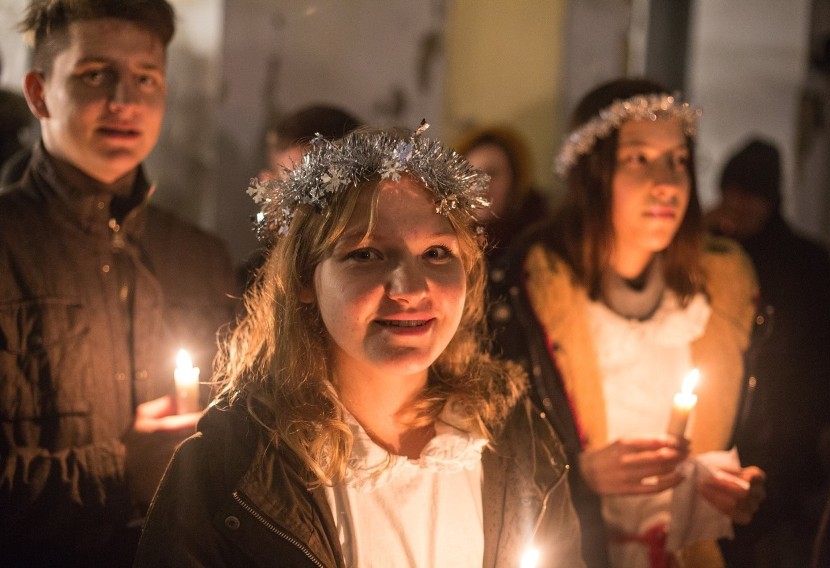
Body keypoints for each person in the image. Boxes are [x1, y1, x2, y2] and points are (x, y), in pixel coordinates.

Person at [134, 126, 586, 567]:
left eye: (436, 253)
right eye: (366, 254)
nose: (410, 288)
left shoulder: (519, 443)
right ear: (304, 279)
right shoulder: (228, 469)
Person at [488, 78, 767, 568]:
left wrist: (735, 491)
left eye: (678, 161)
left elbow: (764, 431)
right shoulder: (525, 296)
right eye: (638, 159)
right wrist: (579, 474)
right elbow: (492, 451)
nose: (666, 182)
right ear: (592, 173)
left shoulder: (719, 301)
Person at [0, 1, 236, 566]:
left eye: (146, 78)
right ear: (38, 93)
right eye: (95, 75)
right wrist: (123, 470)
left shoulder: (200, 257)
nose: (125, 102)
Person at [704, 138, 830, 567]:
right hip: (722, 423)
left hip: (787, 431)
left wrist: (827, 421)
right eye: (730, 191)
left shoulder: (806, 261)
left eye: (750, 195)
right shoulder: (708, 249)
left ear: (771, 199)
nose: (737, 204)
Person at [239, 104, 362, 290]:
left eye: (323, 186)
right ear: (269, 183)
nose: (307, 203)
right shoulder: (248, 284)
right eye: (294, 186)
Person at [455, 126, 549, 260]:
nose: (479, 184)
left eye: (492, 173)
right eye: (470, 174)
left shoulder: (539, 245)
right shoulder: (446, 240)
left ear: (514, 181)